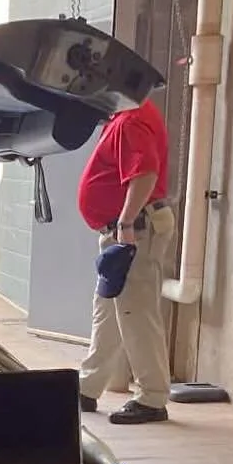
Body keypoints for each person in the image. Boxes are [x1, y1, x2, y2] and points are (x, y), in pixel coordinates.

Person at [77, 97, 176, 424]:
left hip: (135, 230)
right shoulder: (123, 117)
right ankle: (87, 386)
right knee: (107, 308)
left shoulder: (132, 120)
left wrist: (125, 223)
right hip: (128, 230)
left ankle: (152, 397)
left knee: (136, 311)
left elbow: (145, 173)